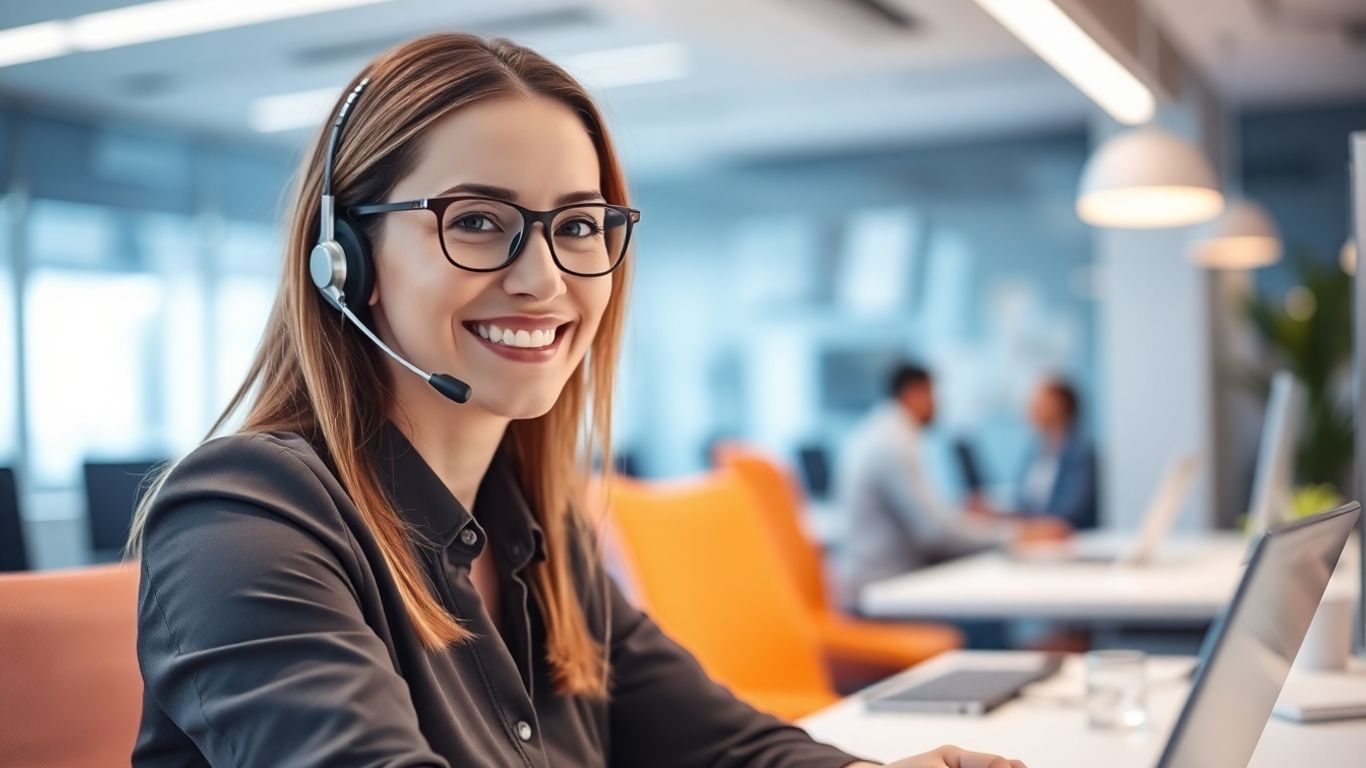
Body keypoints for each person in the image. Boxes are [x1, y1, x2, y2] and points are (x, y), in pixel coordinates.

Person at [126, 34, 1027, 768]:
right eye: (477, 219)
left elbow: (722, 749)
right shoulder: (243, 517)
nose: (544, 277)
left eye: (579, 224)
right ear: (345, 259)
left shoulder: (536, 538)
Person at [835, 364, 1067, 608]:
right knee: (987, 615)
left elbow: (932, 524)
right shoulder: (893, 443)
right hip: (882, 591)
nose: (939, 405)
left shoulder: (880, 432)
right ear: (915, 393)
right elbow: (935, 533)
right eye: (934, 395)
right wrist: (1016, 535)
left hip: (880, 582)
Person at [1016, 377, 1099, 530]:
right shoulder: (1035, 453)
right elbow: (1025, 506)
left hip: (1069, 538)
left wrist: (1032, 526)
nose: (1031, 408)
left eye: (1040, 403)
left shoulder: (1080, 453)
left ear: (1061, 407)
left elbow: (1071, 513)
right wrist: (999, 514)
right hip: (1037, 535)